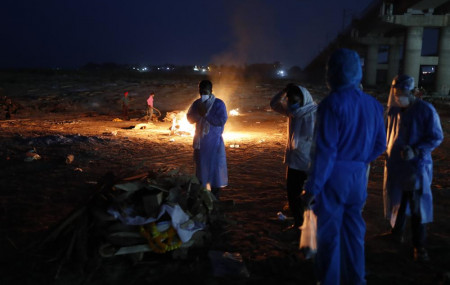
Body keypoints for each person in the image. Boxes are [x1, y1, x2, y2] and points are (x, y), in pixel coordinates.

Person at [303, 48, 386, 284]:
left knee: (328, 234)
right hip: (358, 175)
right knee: (354, 232)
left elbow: (325, 151)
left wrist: (312, 187)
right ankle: (356, 278)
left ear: (335, 72)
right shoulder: (373, 104)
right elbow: (381, 144)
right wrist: (359, 161)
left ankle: (329, 279)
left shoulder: (331, 103)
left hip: (333, 176)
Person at [383, 74, 444, 262]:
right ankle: (397, 232)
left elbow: (436, 137)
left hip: (416, 166)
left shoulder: (425, 110)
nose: (399, 96)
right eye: (396, 93)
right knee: (397, 201)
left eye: (402, 93)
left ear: (412, 92)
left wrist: (416, 151)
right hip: (397, 165)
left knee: (417, 206)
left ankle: (419, 245)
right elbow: (387, 133)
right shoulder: (394, 110)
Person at [270, 83, 317, 236]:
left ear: (304, 100)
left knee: (310, 196)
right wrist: (284, 91)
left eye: (295, 101)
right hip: (294, 160)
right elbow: (274, 104)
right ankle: (298, 224)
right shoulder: (292, 112)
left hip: (309, 161)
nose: (291, 104)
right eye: (290, 101)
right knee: (292, 194)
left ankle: (311, 228)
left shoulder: (315, 112)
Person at [187, 80, 228, 199]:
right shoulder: (196, 104)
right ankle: (203, 198)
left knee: (214, 171)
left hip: (214, 144)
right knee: (201, 172)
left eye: (205, 91)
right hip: (201, 145)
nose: (202, 93)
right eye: (201, 91)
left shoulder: (218, 104)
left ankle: (214, 199)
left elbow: (221, 121)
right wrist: (199, 114)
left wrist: (206, 115)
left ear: (211, 91)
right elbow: (190, 118)